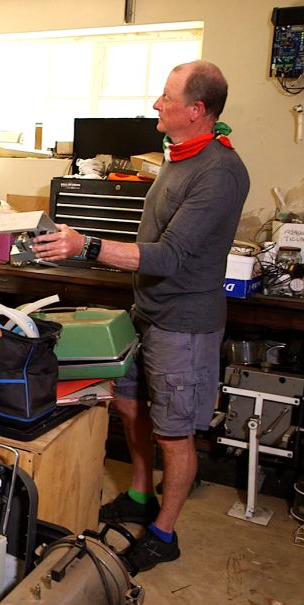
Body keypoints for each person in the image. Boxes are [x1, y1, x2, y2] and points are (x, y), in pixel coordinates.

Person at [34, 60, 249, 573]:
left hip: (184, 323)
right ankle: (139, 493)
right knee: (130, 406)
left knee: (175, 432)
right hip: (149, 311)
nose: (156, 104)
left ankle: (163, 532)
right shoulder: (181, 156)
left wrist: (84, 245)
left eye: (167, 97)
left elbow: (170, 257)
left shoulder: (219, 171)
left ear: (196, 110)